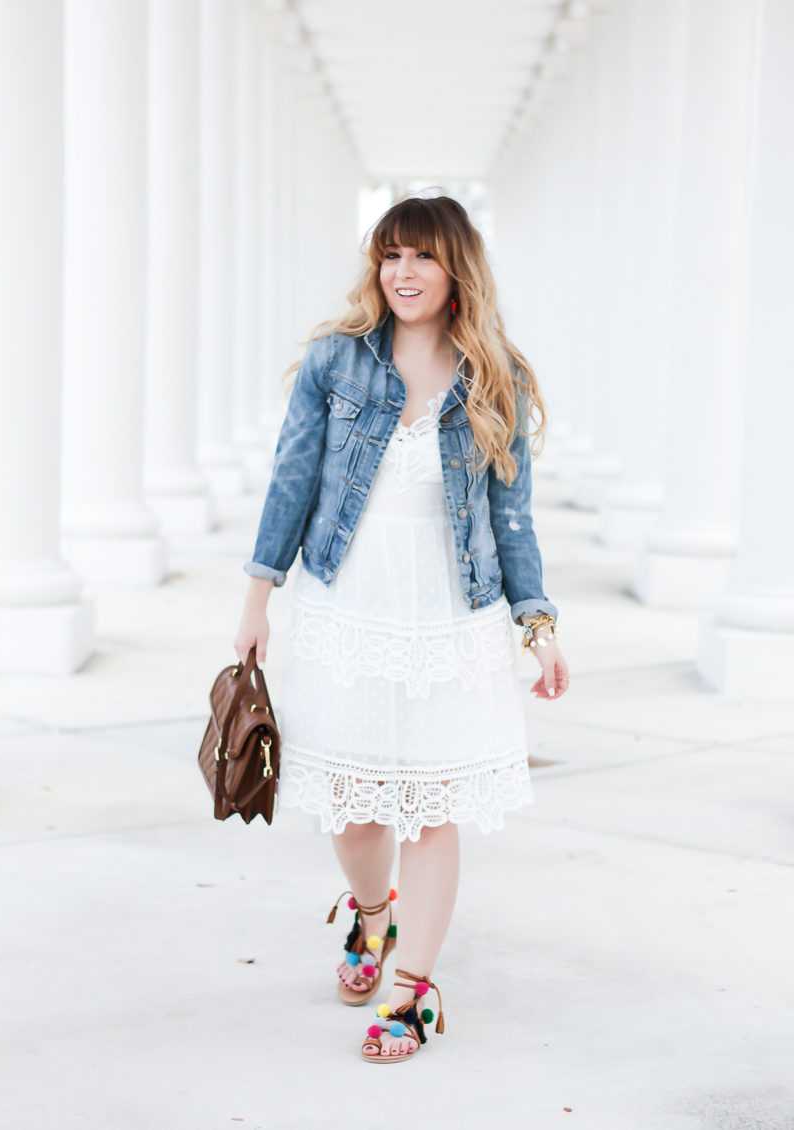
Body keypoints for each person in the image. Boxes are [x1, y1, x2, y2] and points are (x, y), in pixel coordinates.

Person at [233, 194, 569, 1064]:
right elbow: (290, 481)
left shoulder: (498, 375)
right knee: (352, 808)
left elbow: (513, 515)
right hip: (349, 607)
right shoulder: (335, 363)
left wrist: (538, 624)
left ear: (456, 269)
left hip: (451, 616)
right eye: (390, 256)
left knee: (430, 807)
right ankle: (372, 917)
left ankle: (415, 992)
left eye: (421, 257)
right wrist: (256, 600)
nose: (403, 273)